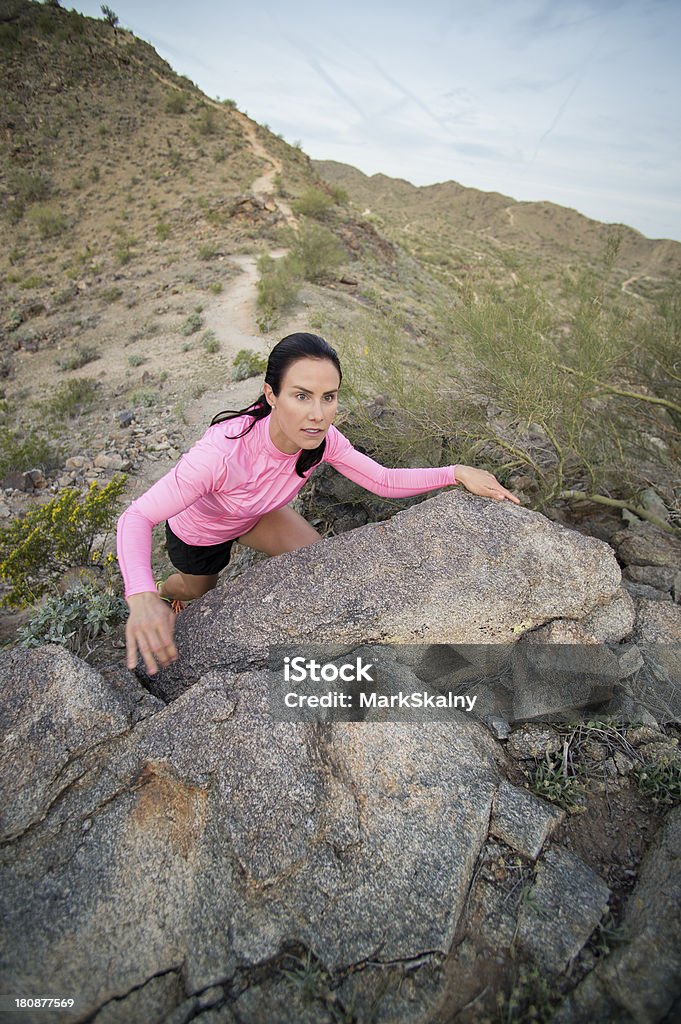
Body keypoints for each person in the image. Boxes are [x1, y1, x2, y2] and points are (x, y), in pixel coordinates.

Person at [117, 332, 519, 676]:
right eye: (301, 396)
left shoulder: (324, 440)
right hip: (200, 534)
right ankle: (169, 592)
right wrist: (142, 597)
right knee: (199, 593)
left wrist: (456, 472)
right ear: (271, 394)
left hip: (256, 515)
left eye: (328, 397)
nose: (317, 414)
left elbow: (382, 479)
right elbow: (136, 516)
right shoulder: (221, 454)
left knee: (320, 566)